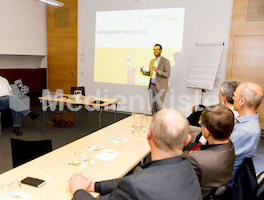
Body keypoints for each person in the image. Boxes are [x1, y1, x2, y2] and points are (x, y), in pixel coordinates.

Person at [68, 109, 202, 200]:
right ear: (187, 140)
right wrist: (94, 186)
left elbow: (136, 183)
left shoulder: (135, 187)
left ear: (148, 135)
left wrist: (79, 190)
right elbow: (137, 180)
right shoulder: (188, 167)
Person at [183, 106, 235, 198]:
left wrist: (191, 155)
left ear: (206, 132)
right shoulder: (230, 146)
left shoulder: (195, 159)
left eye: (201, 124)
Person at [226, 82, 264, 189]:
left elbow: (221, 156)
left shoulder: (245, 130)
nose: (233, 98)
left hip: (225, 183)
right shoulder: (246, 123)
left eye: (235, 95)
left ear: (242, 101)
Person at [141, 44, 171, 115]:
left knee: (159, 108)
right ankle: (154, 123)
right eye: (154, 49)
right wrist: (144, 72)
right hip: (152, 86)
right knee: (152, 107)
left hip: (160, 88)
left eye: (157, 49)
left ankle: (159, 124)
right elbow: (151, 74)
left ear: (161, 50)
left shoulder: (165, 61)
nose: (155, 51)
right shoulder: (152, 61)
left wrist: (158, 71)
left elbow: (167, 74)